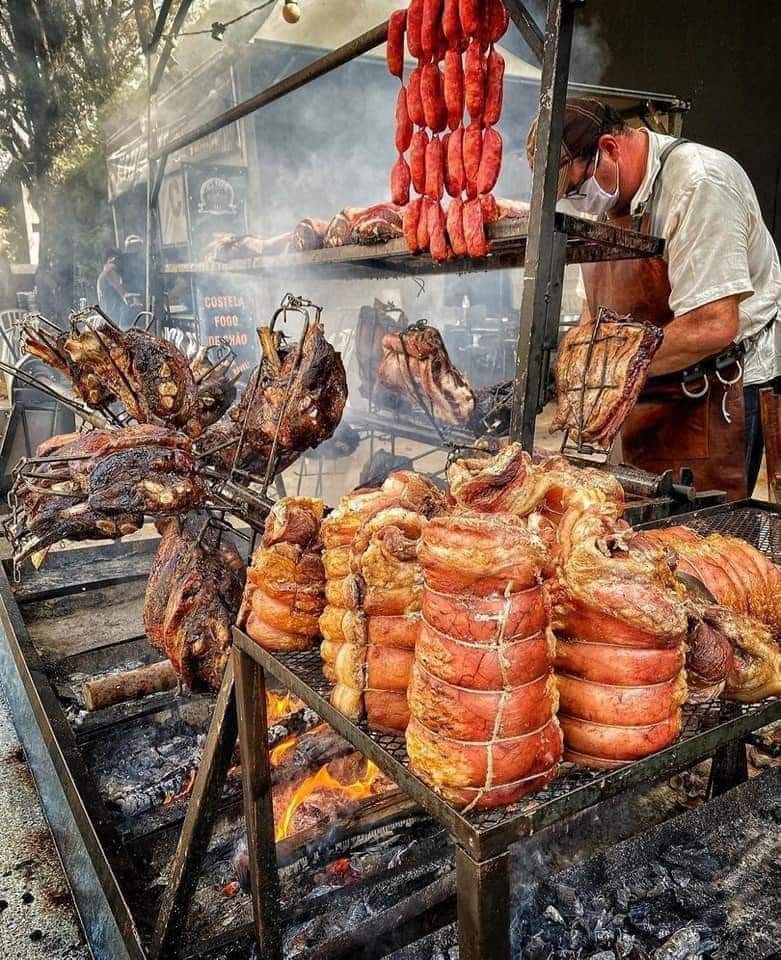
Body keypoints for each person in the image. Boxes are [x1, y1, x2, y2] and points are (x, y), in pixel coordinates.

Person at [527, 98, 781, 499]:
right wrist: (580, 380)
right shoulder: (604, 202)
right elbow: (591, 316)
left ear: (609, 149)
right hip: (647, 384)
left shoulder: (699, 184)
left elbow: (713, 323)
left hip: (716, 389)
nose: (577, 202)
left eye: (576, 188)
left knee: (703, 539)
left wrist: (608, 371)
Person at [96, 248, 128, 325]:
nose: (118, 262)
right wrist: (125, 295)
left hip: (110, 318)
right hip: (111, 319)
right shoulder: (109, 270)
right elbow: (124, 294)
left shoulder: (104, 274)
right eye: (115, 259)